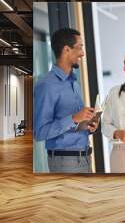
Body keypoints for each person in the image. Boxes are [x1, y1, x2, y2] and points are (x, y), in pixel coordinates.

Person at [33, 28, 99, 173]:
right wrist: (74, 118)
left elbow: (73, 125)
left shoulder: (74, 83)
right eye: (80, 47)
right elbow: (39, 132)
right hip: (65, 163)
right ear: (67, 50)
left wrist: (88, 126)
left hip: (85, 158)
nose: (82, 53)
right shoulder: (46, 85)